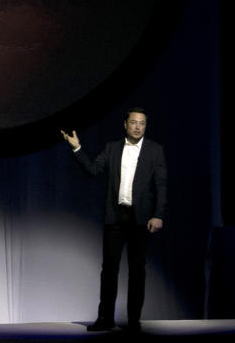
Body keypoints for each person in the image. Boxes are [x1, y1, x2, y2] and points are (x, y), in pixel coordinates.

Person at [61, 108, 167, 334]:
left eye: (142, 123)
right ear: (125, 125)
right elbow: (93, 169)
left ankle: (133, 321)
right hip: (116, 217)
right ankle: (105, 318)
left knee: (137, 270)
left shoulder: (155, 150)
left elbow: (161, 185)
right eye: (134, 122)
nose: (138, 127)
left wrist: (158, 214)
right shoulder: (112, 148)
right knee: (109, 269)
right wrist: (77, 147)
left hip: (140, 218)